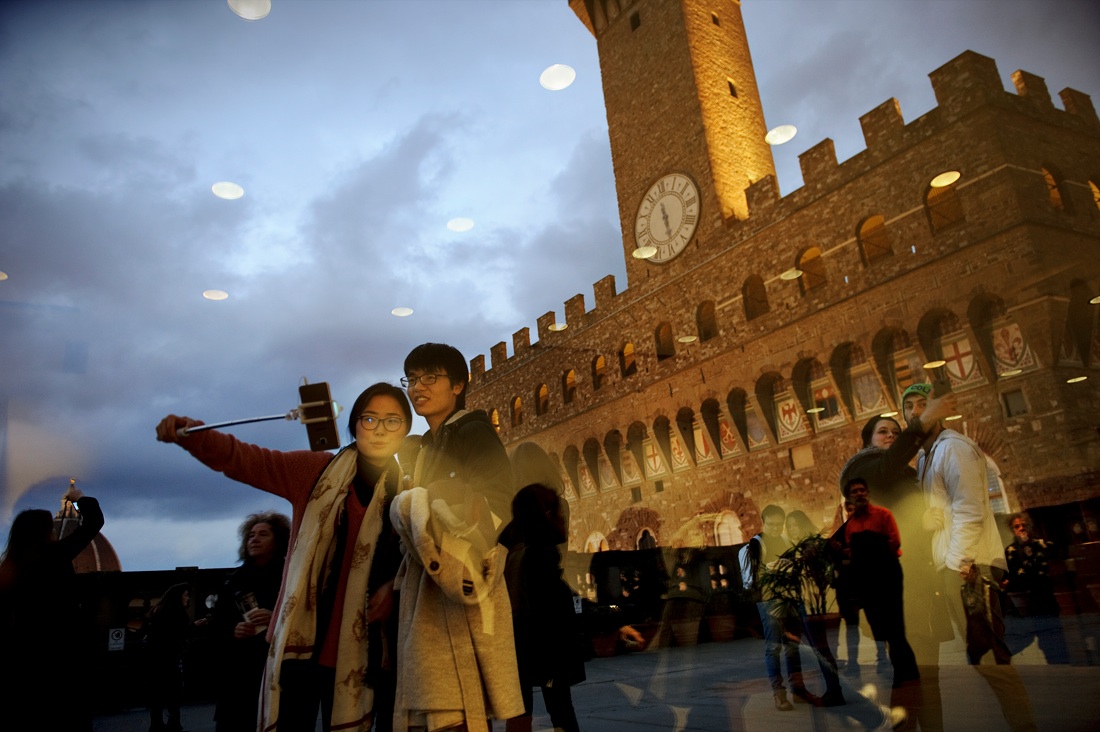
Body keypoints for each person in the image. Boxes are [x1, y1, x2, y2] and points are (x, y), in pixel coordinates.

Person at [155, 382, 410, 732]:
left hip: (366, 652)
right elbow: (244, 458)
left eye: (393, 420)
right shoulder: (314, 471)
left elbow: (414, 561)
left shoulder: (410, 495)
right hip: (298, 648)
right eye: (370, 419)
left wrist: (391, 588)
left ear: (406, 429)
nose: (380, 429)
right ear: (355, 424)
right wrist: (190, 433)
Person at [390, 343, 523, 731]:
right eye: (412, 379)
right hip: (429, 585)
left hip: (458, 580)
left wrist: (460, 549)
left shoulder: (472, 430)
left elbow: (498, 498)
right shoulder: (424, 447)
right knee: (436, 698)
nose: (418, 387)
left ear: (459, 384)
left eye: (431, 377)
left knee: (457, 700)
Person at [904, 382, 1037, 732]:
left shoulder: (954, 448)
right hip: (958, 566)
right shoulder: (927, 457)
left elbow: (970, 510)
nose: (917, 411)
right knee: (984, 656)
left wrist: (955, 562)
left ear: (938, 409)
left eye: (923, 403)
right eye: (910, 407)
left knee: (990, 658)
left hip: (968, 567)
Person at [0, 491, 104, 732]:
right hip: (59, 652)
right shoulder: (54, 556)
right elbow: (94, 522)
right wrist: (79, 500)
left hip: (23, 658)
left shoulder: (10, 569)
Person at [501, 484, 585, 732]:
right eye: (559, 512)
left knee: (520, 712)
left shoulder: (514, 550)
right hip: (544, 650)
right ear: (545, 514)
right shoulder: (537, 557)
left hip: (521, 649)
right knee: (561, 712)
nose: (563, 519)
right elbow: (548, 609)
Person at [211, 511, 291, 731]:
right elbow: (216, 625)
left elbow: (304, 618)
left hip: (275, 671)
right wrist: (233, 630)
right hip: (238, 675)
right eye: (251, 535)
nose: (254, 539)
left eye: (263, 534)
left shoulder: (290, 578)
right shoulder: (232, 581)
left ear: (279, 541)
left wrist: (274, 617)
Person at [837, 478, 919, 686]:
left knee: (895, 625)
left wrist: (869, 549)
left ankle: (906, 671)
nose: (860, 494)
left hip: (887, 575)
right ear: (850, 498)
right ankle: (897, 669)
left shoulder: (883, 515)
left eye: (862, 490)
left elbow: (894, 542)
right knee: (878, 626)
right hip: (867, 580)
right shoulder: (851, 525)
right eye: (855, 491)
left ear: (868, 493)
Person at [738, 504, 815, 711]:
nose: (775, 528)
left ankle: (797, 690)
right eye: (771, 524)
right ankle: (778, 694)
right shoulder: (756, 543)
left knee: (792, 646)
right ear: (763, 523)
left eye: (779, 524)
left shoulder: (785, 540)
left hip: (788, 598)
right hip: (768, 599)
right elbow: (752, 578)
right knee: (773, 647)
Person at [1003, 512, 1069, 663]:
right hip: (1028, 605)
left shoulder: (1041, 545)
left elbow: (1057, 556)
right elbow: (1012, 575)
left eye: (1024, 525)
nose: (1021, 528)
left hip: (1047, 599)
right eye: (1017, 526)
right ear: (1013, 530)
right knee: (1042, 637)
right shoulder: (1011, 551)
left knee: (1055, 636)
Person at [145, 583, 195, 732]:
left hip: (155, 660)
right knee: (174, 694)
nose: (187, 598)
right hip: (170, 659)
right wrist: (195, 627)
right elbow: (179, 635)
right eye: (185, 595)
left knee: (156, 696)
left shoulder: (157, 611)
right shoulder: (177, 613)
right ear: (178, 596)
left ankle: (156, 725)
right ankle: (174, 724)